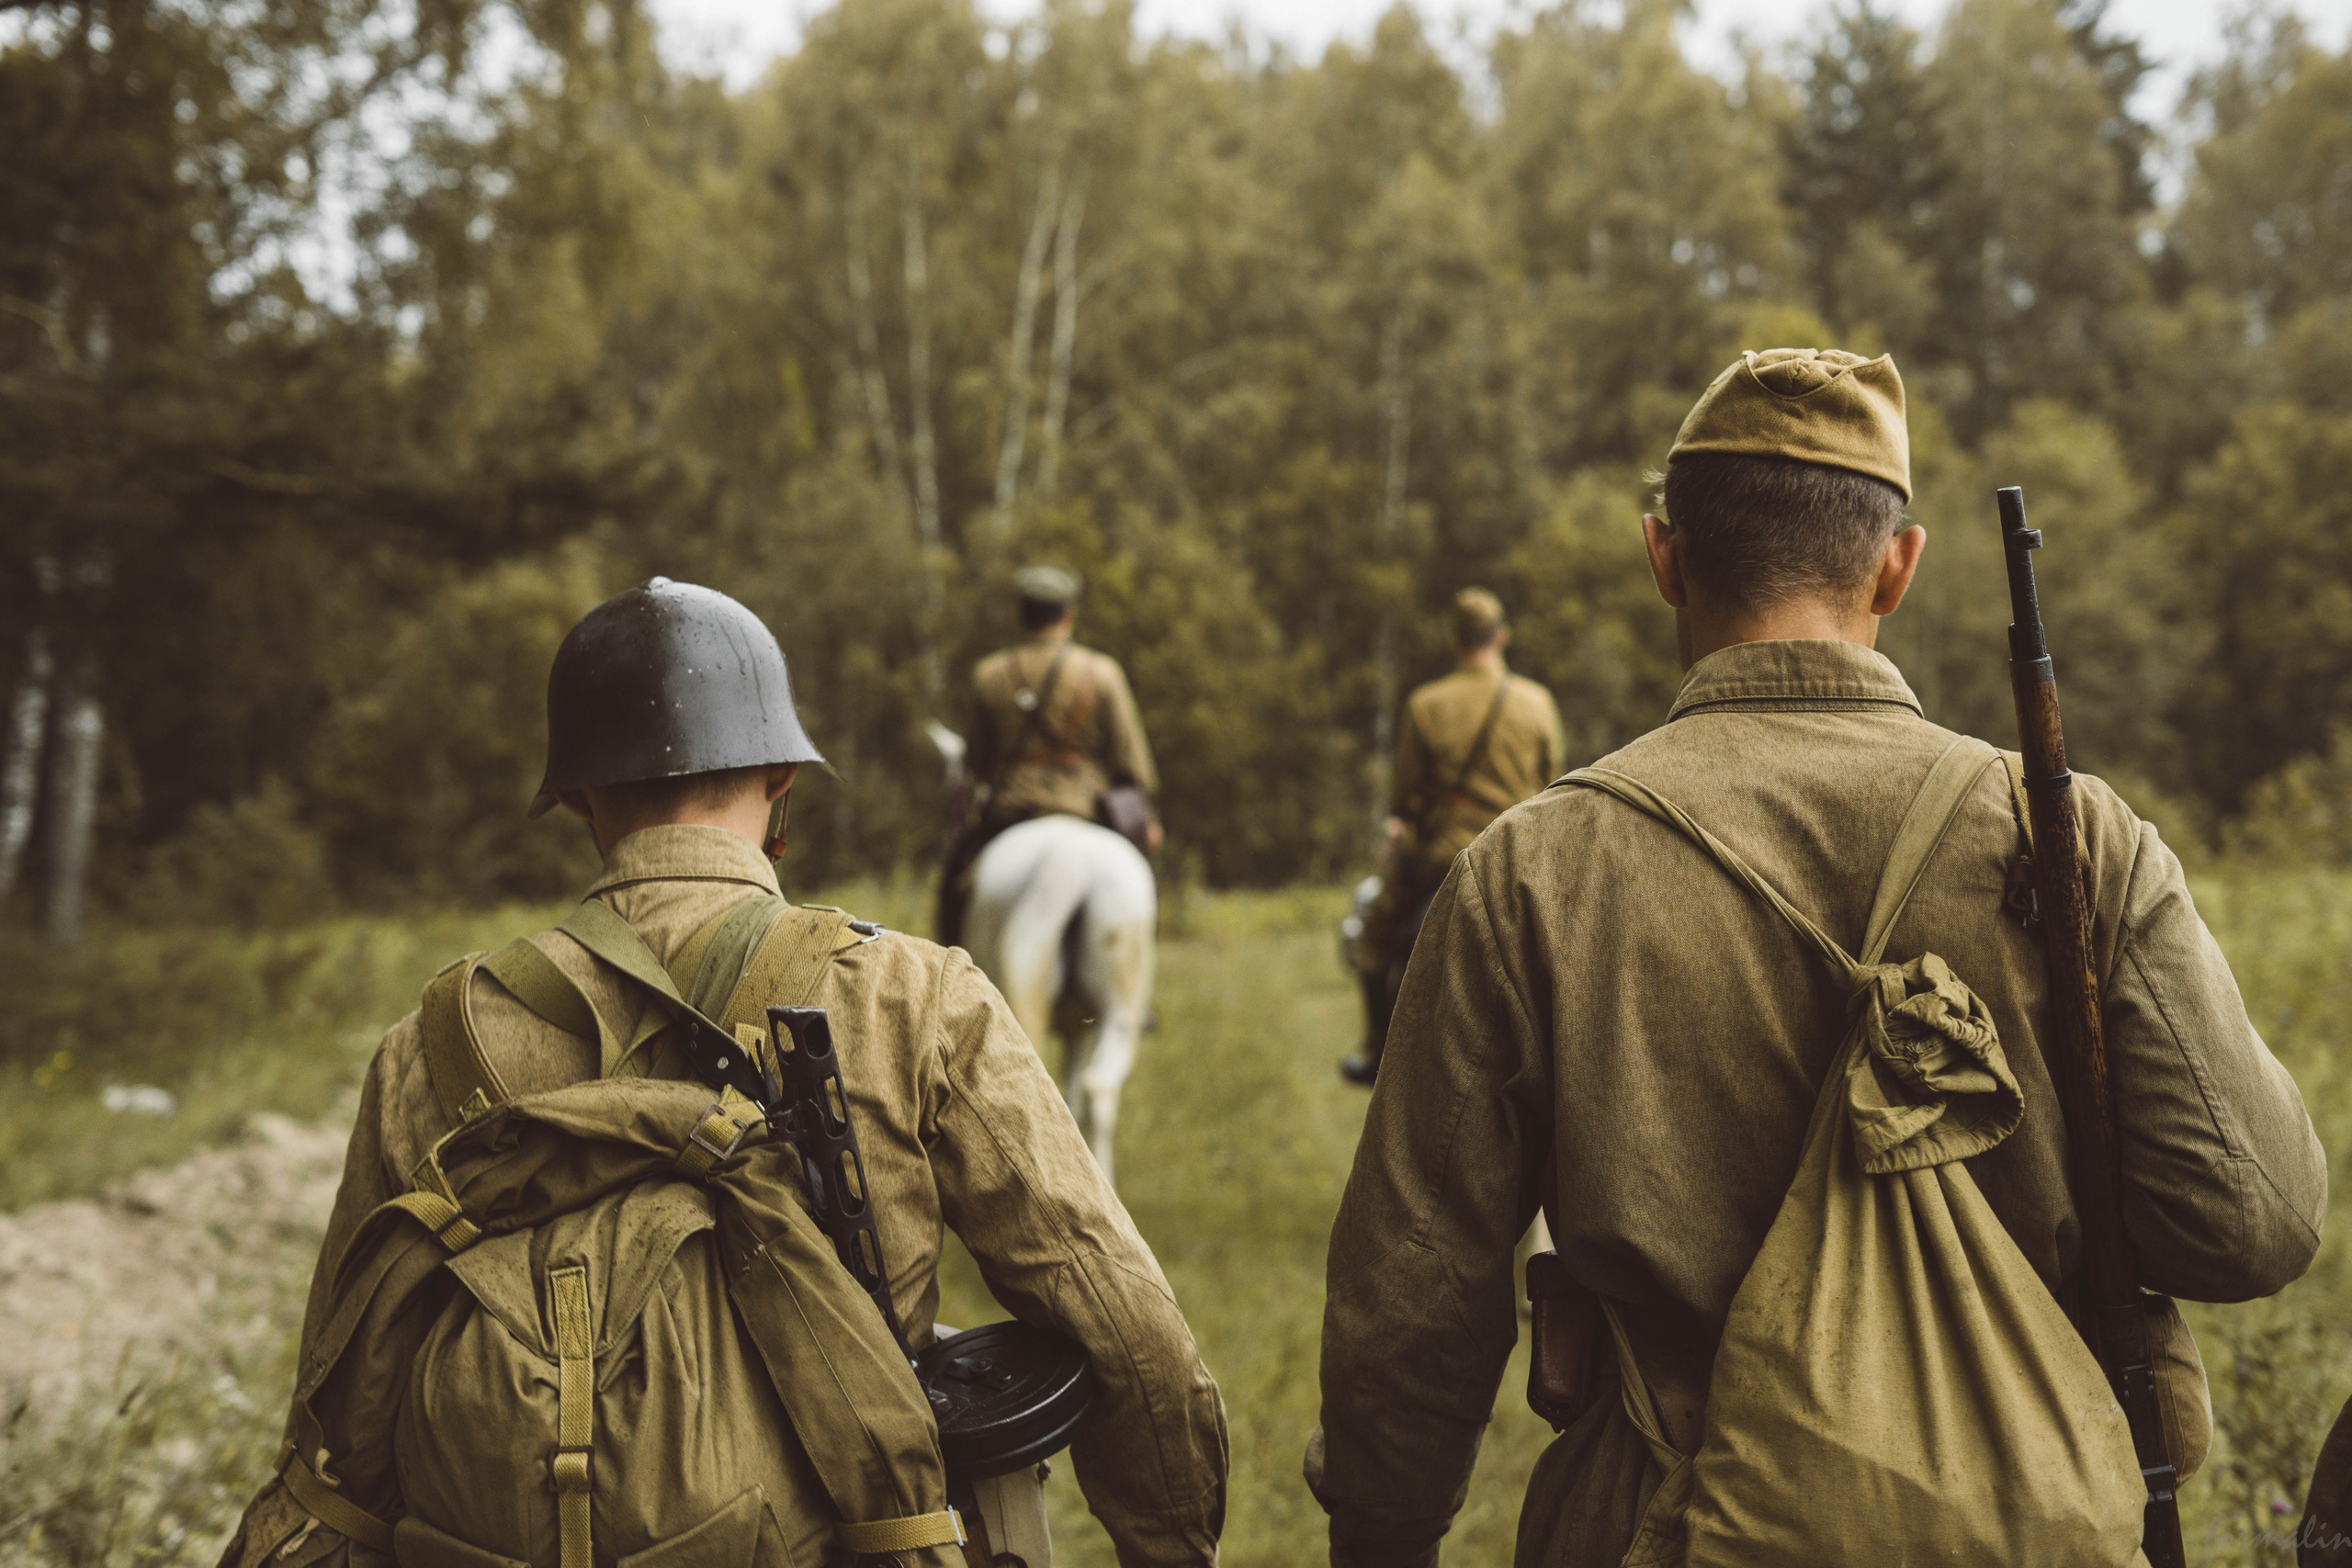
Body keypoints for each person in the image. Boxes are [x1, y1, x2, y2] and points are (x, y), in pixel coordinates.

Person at [1306, 349, 2325, 1567]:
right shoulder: (2069, 832)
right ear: (1897, 566)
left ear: (1665, 556)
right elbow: (2253, 1222)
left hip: (1660, 1527)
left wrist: (1386, 1532)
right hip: (2034, 1517)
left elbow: (1413, 1304)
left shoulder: (1531, 867)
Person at [218, 578, 1227, 1568]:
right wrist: (1166, 1543)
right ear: (783, 776)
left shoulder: (433, 1038)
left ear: (574, 796)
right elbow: (1129, 1331)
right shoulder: (912, 995)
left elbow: (342, 1388)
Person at [1341, 589, 1565, 1086]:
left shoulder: (1426, 704)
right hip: (1521, 853)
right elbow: (1553, 785)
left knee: (1376, 933)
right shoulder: (1538, 703)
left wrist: (1410, 828)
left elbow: (1405, 800)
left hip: (1445, 855)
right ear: (1501, 637)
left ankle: (1376, 1048)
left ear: (1456, 642)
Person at [937, 564, 1161, 948]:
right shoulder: (1102, 673)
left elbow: (975, 764)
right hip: (1088, 809)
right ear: (1067, 615)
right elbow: (1132, 764)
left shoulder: (990, 675)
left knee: (952, 886)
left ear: (1023, 615)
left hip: (1011, 812)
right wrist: (1148, 820)